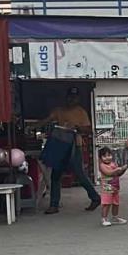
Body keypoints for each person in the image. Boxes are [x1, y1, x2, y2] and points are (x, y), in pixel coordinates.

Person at [36, 86, 101, 215]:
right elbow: (46, 120)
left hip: (74, 146)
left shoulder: (81, 112)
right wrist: (34, 127)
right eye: (70, 97)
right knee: (55, 175)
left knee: (79, 174)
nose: (72, 99)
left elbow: (89, 130)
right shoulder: (59, 111)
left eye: (74, 97)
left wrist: (76, 127)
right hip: (60, 145)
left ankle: (95, 198)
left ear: (78, 99)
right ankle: (54, 205)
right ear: (66, 98)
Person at [97, 147, 128, 227]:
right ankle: (104, 218)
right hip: (107, 188)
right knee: (106, 203)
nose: (107, 158)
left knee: (116, 203)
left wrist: (124, 169)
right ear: (101, 158)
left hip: (115, 187)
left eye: (109, 155)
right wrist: (117, 170)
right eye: (105, 156)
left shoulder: (113, 164)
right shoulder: (102, 165)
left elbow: (118, 174)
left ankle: (115, 217)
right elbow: (108, 173)